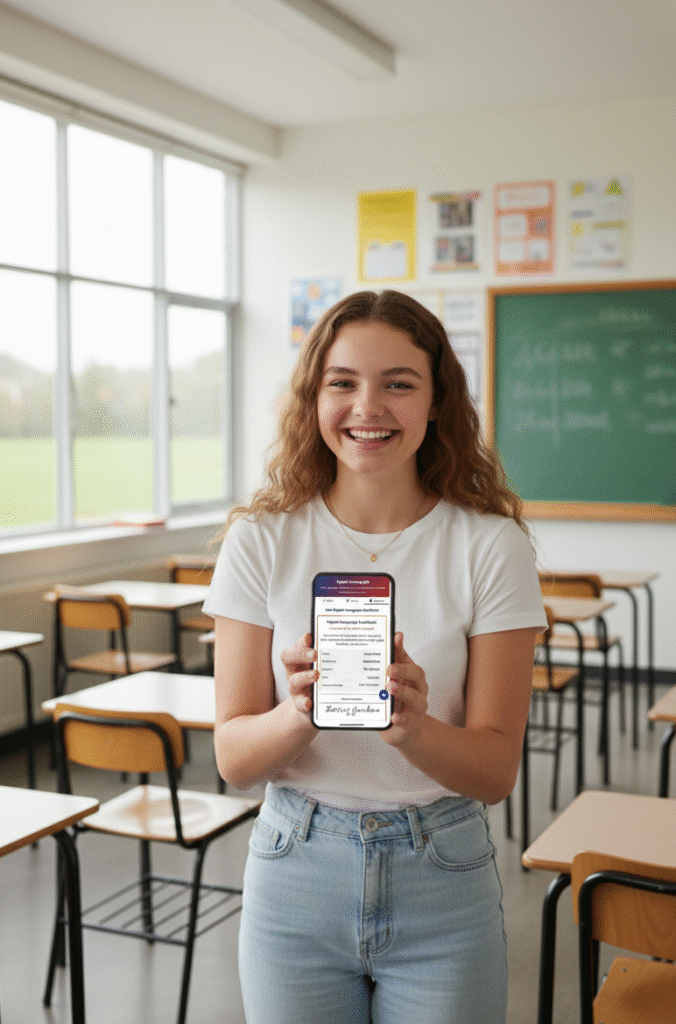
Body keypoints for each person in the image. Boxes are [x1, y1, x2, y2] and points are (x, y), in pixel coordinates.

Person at [203, 289, 546, 1024]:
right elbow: (232, 758)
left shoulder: (491, 546)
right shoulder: (260, 539)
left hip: (443, 876)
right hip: (294, 871)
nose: (369, 407)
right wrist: (298, 713)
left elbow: (494, 771)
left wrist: (414, 727)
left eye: (399, 383)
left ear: (435, 400)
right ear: (314, 397)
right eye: (344, 382)